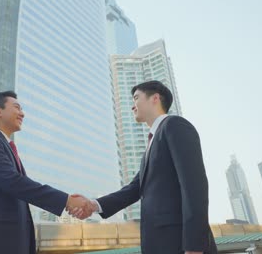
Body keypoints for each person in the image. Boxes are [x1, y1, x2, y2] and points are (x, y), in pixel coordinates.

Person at [72, 80, 217, 254]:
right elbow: (133, 189)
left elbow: (195, 186)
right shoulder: (151, 144)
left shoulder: (174, 126)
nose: (133, 106)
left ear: (155, 98)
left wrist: (194, 246)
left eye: (136, 98)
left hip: (180, 244)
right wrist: (94, 205)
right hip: (158, 244)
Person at [0, 91, 89, 254]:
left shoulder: (8, 148)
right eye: (17, 108)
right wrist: (66, 200)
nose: (22, 113)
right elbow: (14, 182)